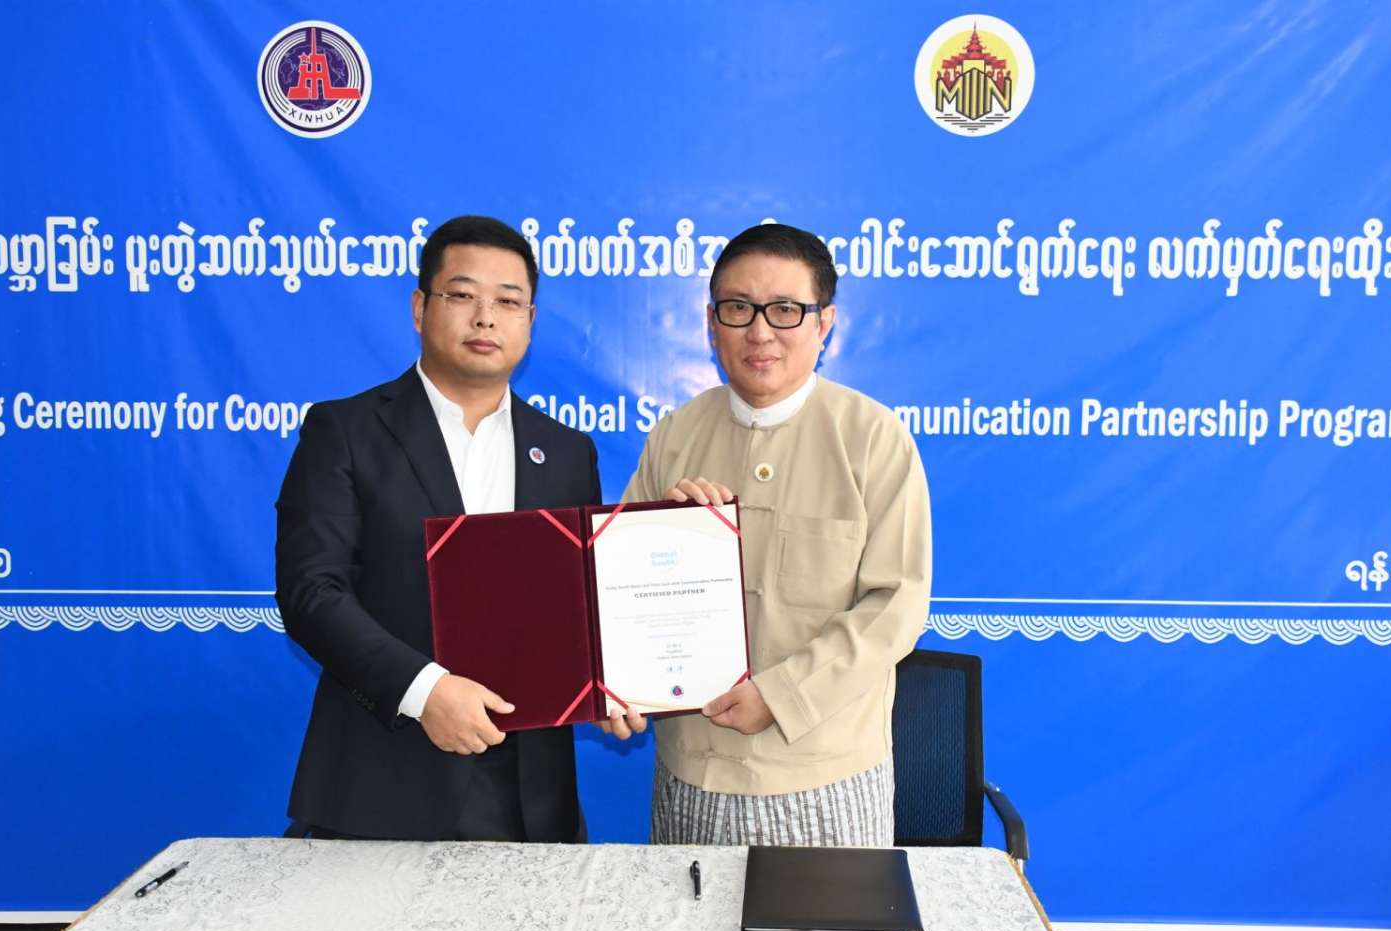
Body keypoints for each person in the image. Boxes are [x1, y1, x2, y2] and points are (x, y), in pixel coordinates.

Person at [276, 215, 600, 841]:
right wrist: (426, 691)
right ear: (420, 308)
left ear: (530, 321)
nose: (486, 318)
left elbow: (578, 606)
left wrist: (615, 682)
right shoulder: (345, 431)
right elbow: (311, 592)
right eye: (463, 295)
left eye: (508, 302)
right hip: (385, 781)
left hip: (532, 798)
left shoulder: (566, 452)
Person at [608, 222, 931, 847]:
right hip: (692, 773)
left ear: (824, 322)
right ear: (711, 322)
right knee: (684, 916)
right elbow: (617, 591)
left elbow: (896, 606)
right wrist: (617, 683)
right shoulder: (674, 437)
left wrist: (782, 696)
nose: (759, 332)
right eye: (738, 308)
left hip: (825, 776)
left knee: (829, 919)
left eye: (785, 310)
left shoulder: (872, 438)